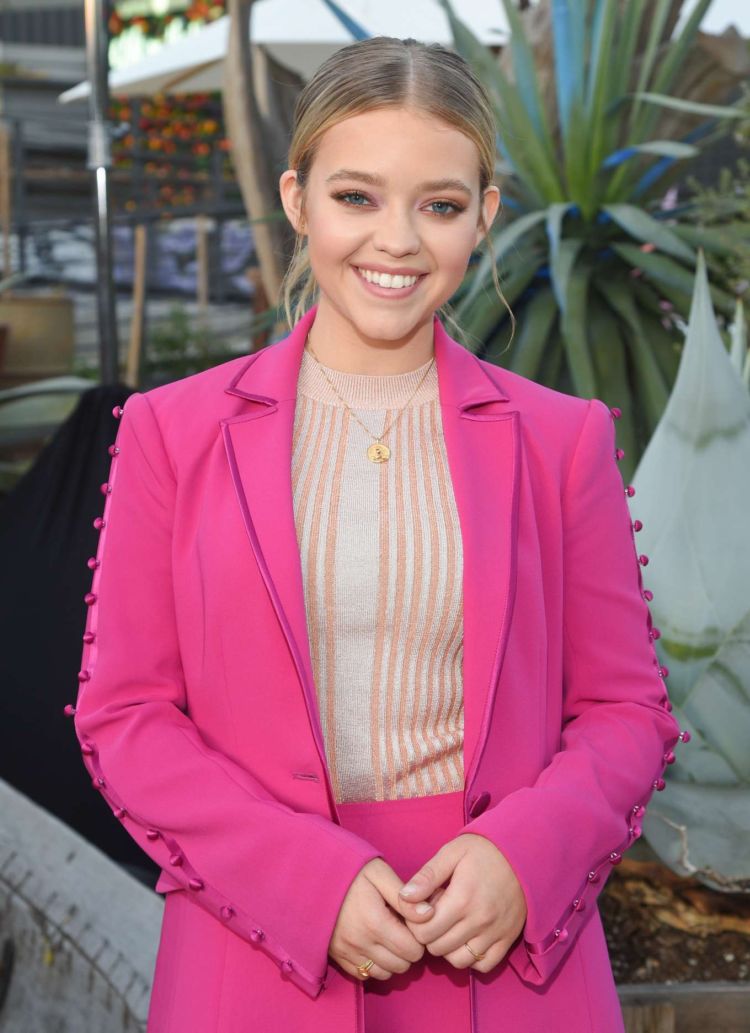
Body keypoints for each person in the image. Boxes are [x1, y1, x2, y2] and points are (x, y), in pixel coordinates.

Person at [69, 36, 687, 1033]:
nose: (396, 241)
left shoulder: (561, 440)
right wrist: (303, 881)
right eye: (357, 196)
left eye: (438, 205)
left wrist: (524, 856)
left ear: (483, 217)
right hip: (256, 950)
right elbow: (126, 716)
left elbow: (627, 708)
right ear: (296, 198)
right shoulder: (170, 433)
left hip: (500, 950)